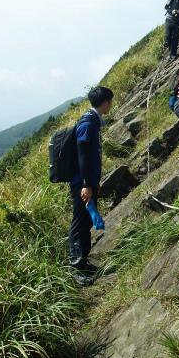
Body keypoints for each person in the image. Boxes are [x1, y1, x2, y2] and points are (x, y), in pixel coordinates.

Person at [69, 86, 113, 285]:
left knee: (86, 221)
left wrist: (94, 183)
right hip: (81, 184)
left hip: (87, 182)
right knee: (79, 223)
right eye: (110, 101)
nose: (110, 105)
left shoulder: (93, 120)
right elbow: (83, 156)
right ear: (105, 103)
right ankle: (76, 269)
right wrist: (87, 184)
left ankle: (84, 262)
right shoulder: (88, 123)